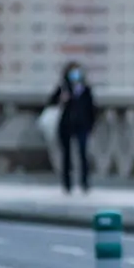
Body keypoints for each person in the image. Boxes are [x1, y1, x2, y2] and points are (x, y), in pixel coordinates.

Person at [46, 61, 96, 194]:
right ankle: (67, 183)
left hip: (82, 125)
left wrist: (90, 125)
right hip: (66, 125)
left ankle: (84, 182)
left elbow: (91, 108)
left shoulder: (85, 88)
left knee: (83, 154)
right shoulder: (63, 88)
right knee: (66, 156)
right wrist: (62, 99)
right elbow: (51, 101)